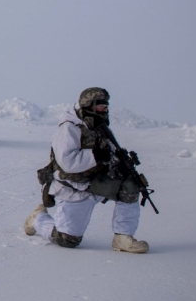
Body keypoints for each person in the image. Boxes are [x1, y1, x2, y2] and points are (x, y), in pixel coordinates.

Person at [23, 87, 149, 253]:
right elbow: (67, 161)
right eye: (100, 106)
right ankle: (38, 218)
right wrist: (96, 155)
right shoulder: (69, 128)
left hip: (97, 181)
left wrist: (122, 163)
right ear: (89, 105)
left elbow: (109, 151)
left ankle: (123, 237)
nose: (105, 109)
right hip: (74, 186)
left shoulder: (100, 126)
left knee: (131, 185)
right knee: (68, 240)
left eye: (106, 106)